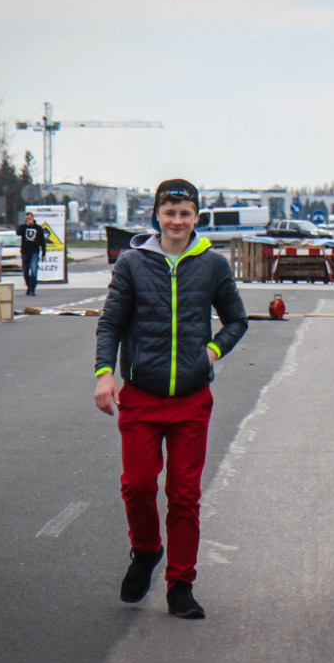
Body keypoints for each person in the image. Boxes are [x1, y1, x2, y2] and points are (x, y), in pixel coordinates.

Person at [94, 178, 248, 619]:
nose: (177, 221)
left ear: (196, 217)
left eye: (185, 213)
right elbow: (110, 324)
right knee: (138, 485)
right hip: (141, 395)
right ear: (157, 216)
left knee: (184, 495)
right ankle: (146, 550)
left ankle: (181, 584)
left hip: (191, 400)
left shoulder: (213, 264)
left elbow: (236, 320)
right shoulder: (132, 264)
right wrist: (105, 374)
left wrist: (211, 353)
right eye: (169, 212)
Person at [16, 211, 48, 296]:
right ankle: (29, 287)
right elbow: (18, 233)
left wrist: (43, 253)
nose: (28, 220)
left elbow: (42, 241)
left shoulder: (38, 228)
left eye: (30, 218)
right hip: (25, 252)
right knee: (25, 271)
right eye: (27, 219)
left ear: (33, 218)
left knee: (34, 270)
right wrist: (26, 225)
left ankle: (32, 289)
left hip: (34, 252)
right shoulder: (23, 227)